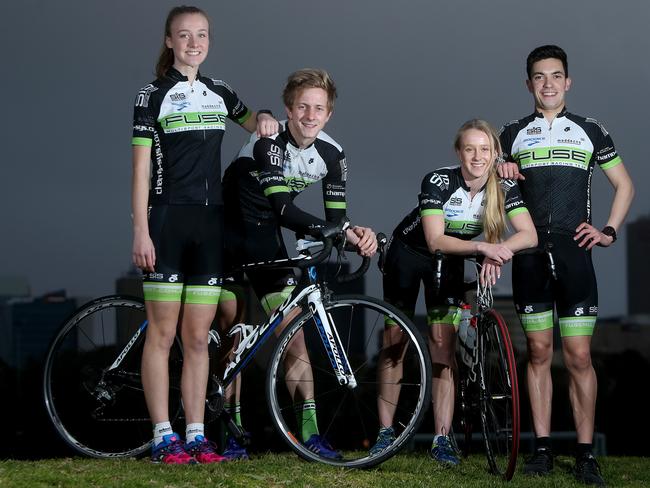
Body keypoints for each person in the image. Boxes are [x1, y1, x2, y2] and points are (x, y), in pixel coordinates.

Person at [131, 5, 278, 464]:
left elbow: (255, 121)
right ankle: (162, 437)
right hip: (167, 221)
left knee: (197, 340)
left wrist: (268, 116)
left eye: (202, 35)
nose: (194, 43)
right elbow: (139, 170)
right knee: (162, 335)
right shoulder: (151, 95)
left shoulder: (220, 91)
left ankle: (196, 435)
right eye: (184, 35)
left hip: (210, 226)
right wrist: (140, 229)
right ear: (170, 41)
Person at [216, 68, 377, 460]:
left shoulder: (332, 155)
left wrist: (357, 236)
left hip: (266, 238)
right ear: (289, 109)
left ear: (329, 114)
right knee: (231, 339)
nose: (309, 115)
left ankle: (310, 434)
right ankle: (230, 432)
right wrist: (339, 231)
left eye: (318, 108)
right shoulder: (269, 141)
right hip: (227, 237)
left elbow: (334, 220)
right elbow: (283, 208)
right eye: (302, 106)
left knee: (294, 338)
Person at [498, 45, 634, 485]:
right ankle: (540, 449)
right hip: (529, 257)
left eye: (556, 75)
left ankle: (584, 452)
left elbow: (624, 185)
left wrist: (608, 231)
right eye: (539, 76)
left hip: (576, 255)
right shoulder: (512, 132)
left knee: (577, 356)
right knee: (538, 353)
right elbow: (489, 186)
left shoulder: (591, 130)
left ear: (568, 82)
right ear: (529, 84)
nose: (549, 84)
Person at [369, 119, 537, 465]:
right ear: (458, 152)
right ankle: (385, 433)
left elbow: (529, 235)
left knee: (443, 351)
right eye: (470, 149)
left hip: (453, 258)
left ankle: (441, 439)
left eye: (485, 150)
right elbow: (434, 240)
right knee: (394, 344)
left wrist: (499, 249)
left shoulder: (503, 186)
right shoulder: (439, 180)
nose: (477, 157)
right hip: (411, 254)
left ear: (495, 154)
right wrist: (483, 249)